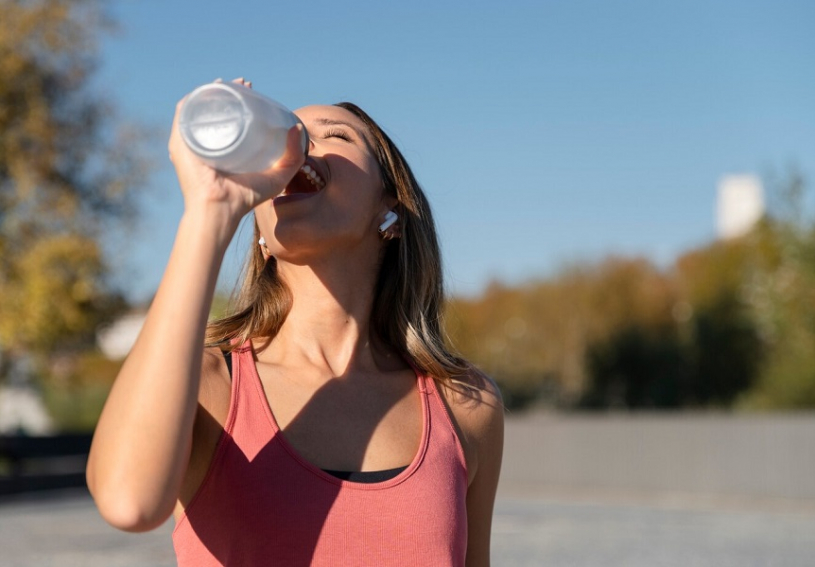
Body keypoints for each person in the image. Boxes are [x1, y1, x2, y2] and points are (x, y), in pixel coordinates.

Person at [86, 78, 504, 566]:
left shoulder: (465, 403)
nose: (299, 146)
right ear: (260, 232)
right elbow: (128, 502)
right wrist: (211, 211)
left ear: (388, 202)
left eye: (334, 135)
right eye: (288, 135)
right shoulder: (209, 386)